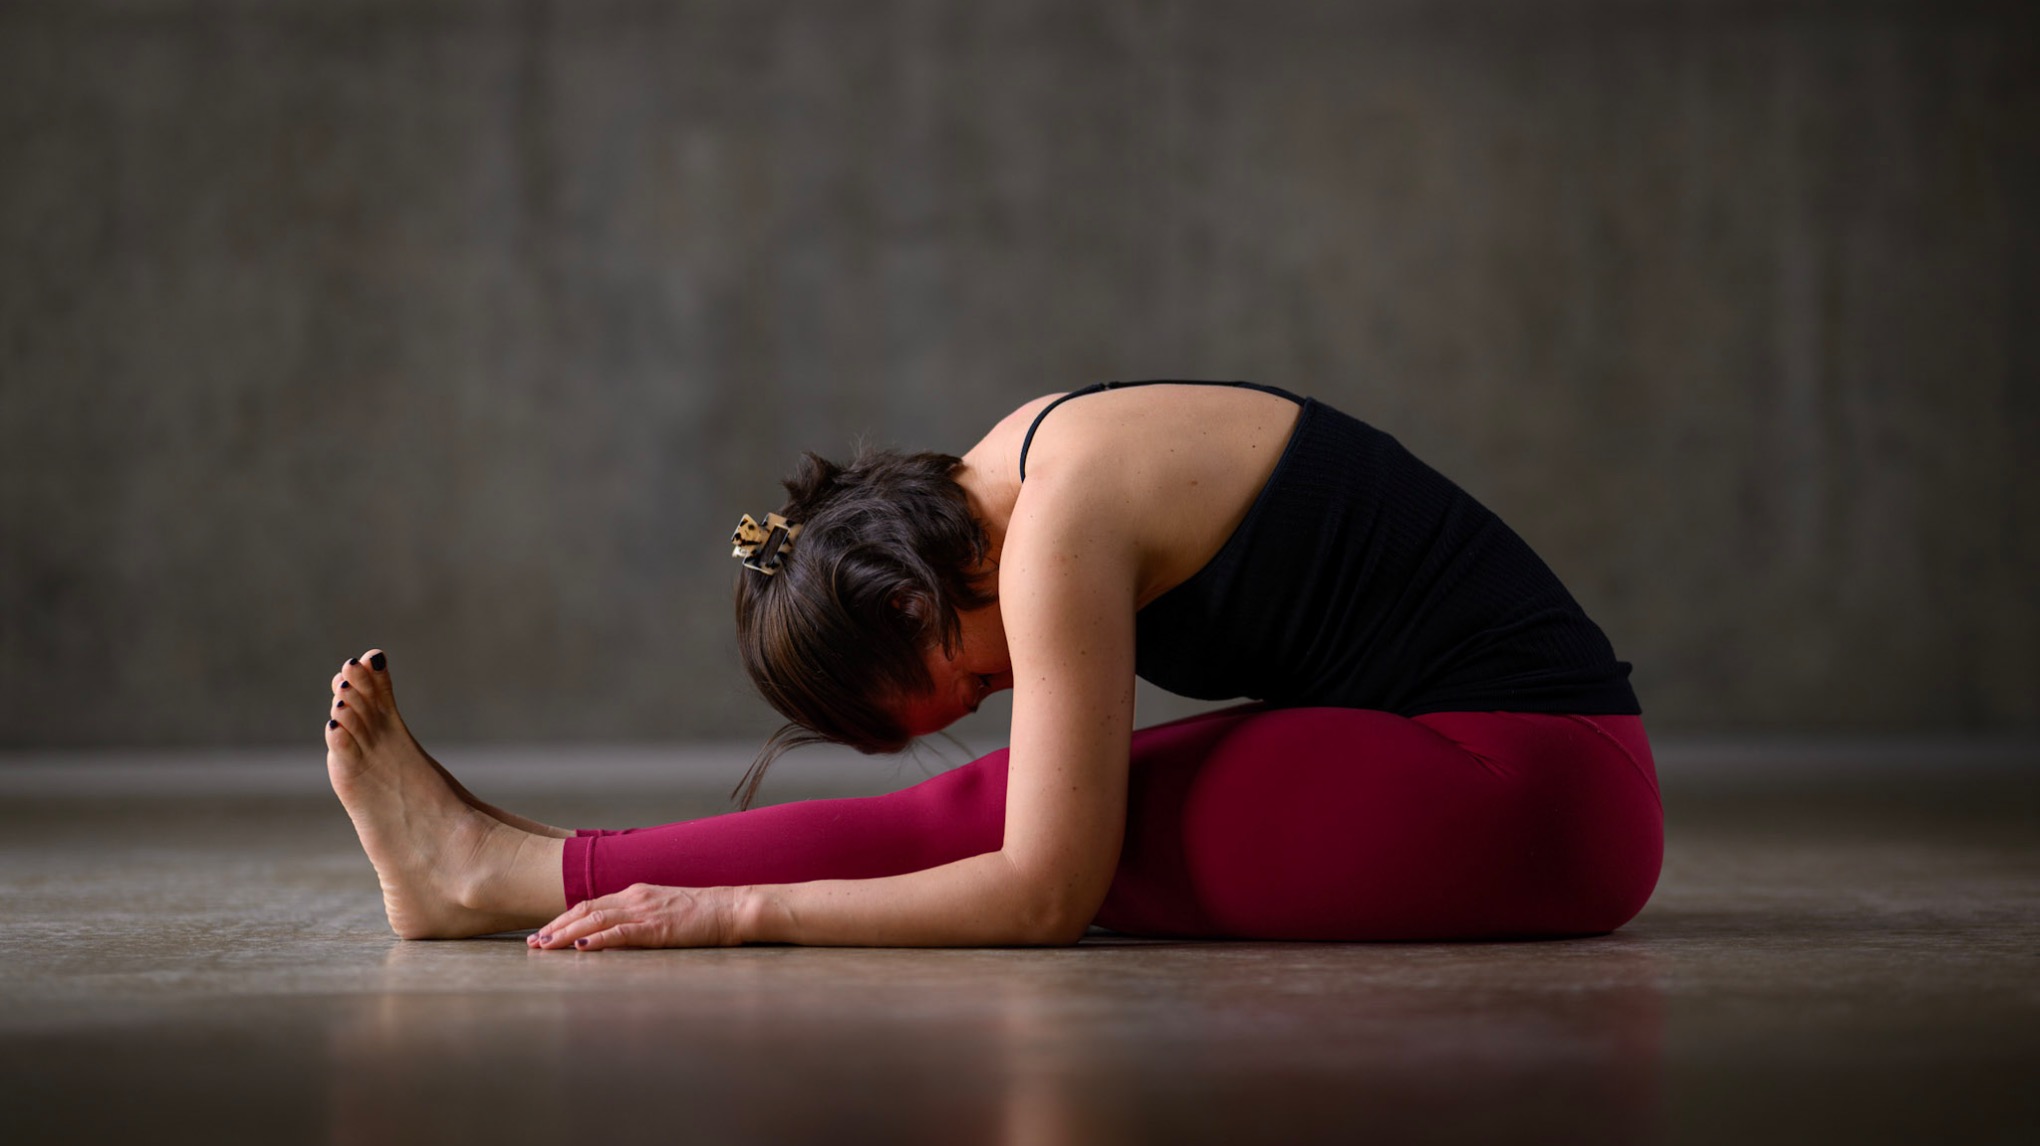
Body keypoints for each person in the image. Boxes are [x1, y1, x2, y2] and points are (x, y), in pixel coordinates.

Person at [322, 380, 1661, 950]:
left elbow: (1040, 894)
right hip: (1507, 761)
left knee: (995, 823)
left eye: (966, 685)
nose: (996, 692)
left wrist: (738, 916)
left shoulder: (1060, 524)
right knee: (1006, 806)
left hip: (1536, 789)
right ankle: (510, 860)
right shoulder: (1016, 455)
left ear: (912, 596)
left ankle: (492, 873)